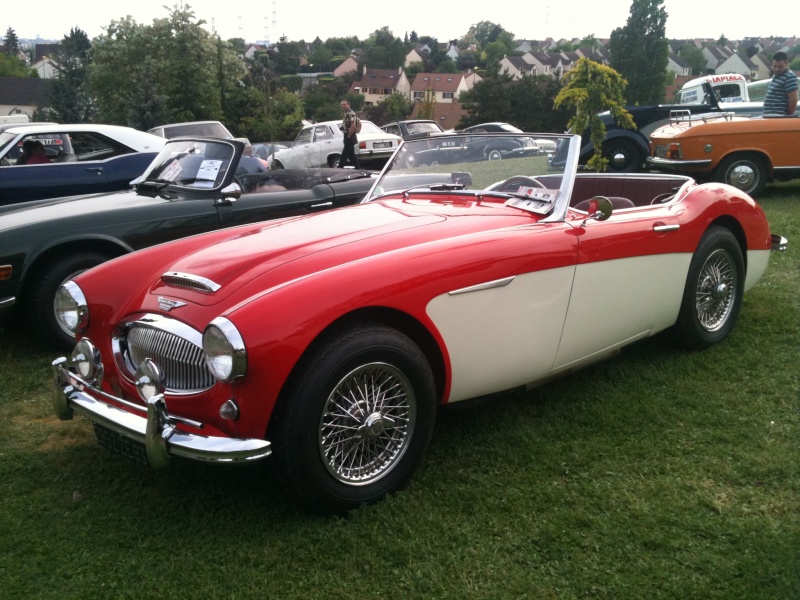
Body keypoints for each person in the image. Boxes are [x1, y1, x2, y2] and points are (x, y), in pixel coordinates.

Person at [763, 51, 798, 116]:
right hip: (770, 116)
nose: (777, 69)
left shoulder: (789, 76)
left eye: (780, 67)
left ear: (786, 63)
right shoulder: (776, 75)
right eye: (775, 66)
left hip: (779, 116)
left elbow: (793, 99)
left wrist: (788, 116)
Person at [339, 99, 360, 168]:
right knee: (351, 155)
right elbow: (347, 124)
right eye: (342, 104)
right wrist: (342, 128)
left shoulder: (351, 113)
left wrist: (348, 136)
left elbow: (353, 126)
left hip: (350, 135)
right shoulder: (345, 113)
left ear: (348, 104)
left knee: (345, 153)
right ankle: (358, 168)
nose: (343, 106)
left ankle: (340, 167)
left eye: (344, 104)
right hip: (347, 134)